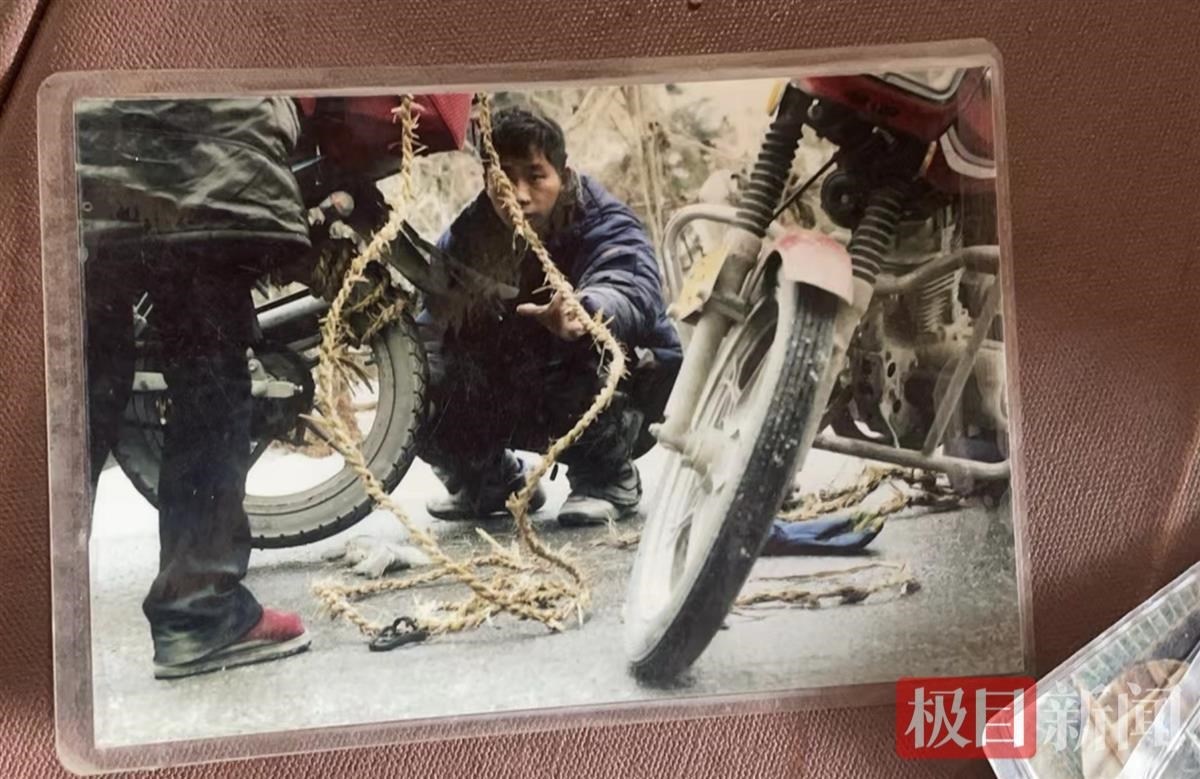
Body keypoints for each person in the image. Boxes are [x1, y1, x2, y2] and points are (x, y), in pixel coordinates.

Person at [78, 98, 312, 679]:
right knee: (208, 363)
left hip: (79, 143)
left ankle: (22, 604)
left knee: (78, 373)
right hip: (204, 150)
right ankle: (198, 612)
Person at [416, 106, 682, 526]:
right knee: (421, 379)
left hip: (620, 383)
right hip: (522, 384)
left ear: (563, 174)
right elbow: (431, 319)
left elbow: (629, 285)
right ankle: (488, 480)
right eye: (505, 178)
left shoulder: (604, 219)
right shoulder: (469, 234)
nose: (520, 195)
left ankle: (606, 477)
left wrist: (585, 311)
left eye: (536, 176)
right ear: (486, 177)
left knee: (586, 345)